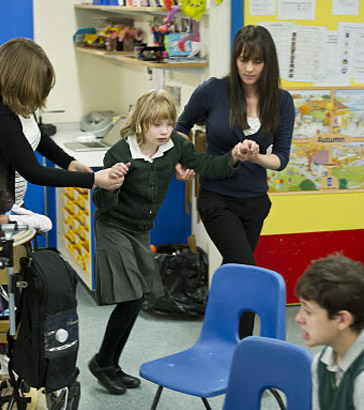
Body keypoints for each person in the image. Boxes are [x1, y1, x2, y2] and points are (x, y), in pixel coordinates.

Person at [89, 89, 247, 395]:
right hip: (113, 227)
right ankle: (104, 362)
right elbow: (102, 204)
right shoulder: (120, 154)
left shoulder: (175, 147)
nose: (164, 131)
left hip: (140, 230)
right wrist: (111, 186)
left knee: (135, 299)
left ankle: (107, 363)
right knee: (132, 297)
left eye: (168, 124)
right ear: (141, 124)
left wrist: (234, 156)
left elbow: (208, 166)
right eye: (156, 124)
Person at [175, 25, 295, 338]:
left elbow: (281, 159)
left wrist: (256, 157)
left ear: (268, 63)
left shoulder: (281, 101)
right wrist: (182, 160)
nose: (250, 68)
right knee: (248, 270)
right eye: (243, 60)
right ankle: (242, 341)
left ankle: (227, 342)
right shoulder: (214, 90)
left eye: (257, 61)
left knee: (235, 269)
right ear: (235, 60)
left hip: (255, 202)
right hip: (216, 197)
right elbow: (180, 127)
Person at [0, 37, 127, 203]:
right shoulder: (2, 115)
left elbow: (34, 135)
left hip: (14, 205)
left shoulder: (16, 103)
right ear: (21, 82)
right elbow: (33, 172)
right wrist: (93, 179)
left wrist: (68, 162)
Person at [295, 254, 364, 410]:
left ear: (342, 320)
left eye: (308, 311)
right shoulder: (321, 362)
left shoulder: (361, 380)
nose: (298, 318)